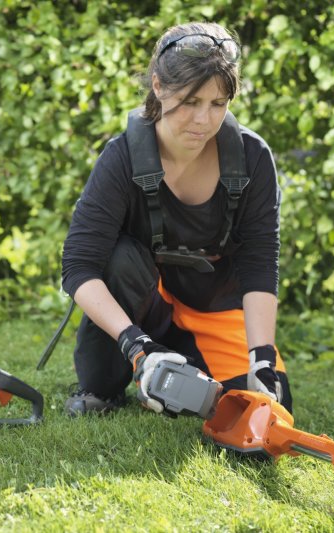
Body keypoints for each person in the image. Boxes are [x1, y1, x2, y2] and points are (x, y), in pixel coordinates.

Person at [60, 21, 293, 418]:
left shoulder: (252, 158)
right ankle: (125, 376)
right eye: (190, 101)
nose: (204, 119)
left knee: (261, 410)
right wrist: (138, 347)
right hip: (140, 310)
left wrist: (263, 358)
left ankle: (184, 371)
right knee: (116, 258)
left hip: (214, 310)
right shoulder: (122, 158)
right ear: (158, 87)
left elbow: (259, 264)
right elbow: (78, 267)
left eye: (218, 104)